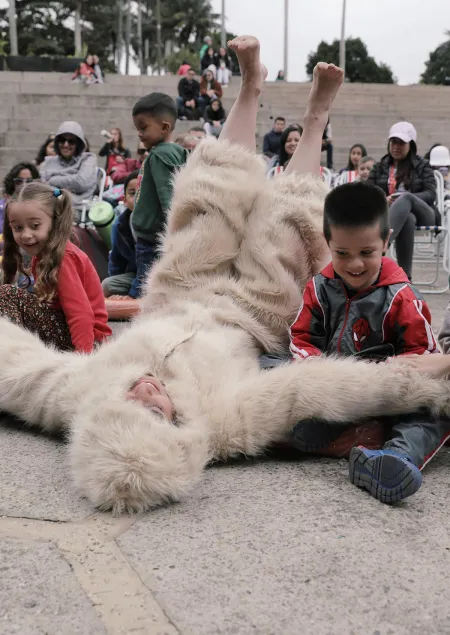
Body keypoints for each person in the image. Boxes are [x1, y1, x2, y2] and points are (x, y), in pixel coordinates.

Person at [0, 37, 448, 516]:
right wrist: (422, 384)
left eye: (124, 404)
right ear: (178, 430)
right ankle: (317, 115)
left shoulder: (79, 395)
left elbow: (16, 372)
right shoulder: (224, 425)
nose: (145, 392)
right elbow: (306, 390)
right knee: (289, 221)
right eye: (154, 412)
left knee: (206, 197)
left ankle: (250, 87)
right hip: (253, 315)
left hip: (176, 292)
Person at [289, 182, 449, 504]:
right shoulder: (319, 289)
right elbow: (301, 337)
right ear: (328, 243)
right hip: (335, 391)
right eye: (342, 254)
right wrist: (316, 370)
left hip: (388, 394)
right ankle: (335, 431)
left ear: (386, 241)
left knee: (435, 411)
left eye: (367, 253)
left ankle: (395, 458)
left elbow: (424, 357)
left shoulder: (401, 297)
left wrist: (391, 373)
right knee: (268, 363)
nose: (355, 265)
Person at [0, 181, 111, 352]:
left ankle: (14, 354)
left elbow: (80, 314)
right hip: (69, 333)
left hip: (89, 342)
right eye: (18, 227)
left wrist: (82, 360)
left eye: (35, 225)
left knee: (7, 294)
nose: (26, 235)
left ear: (55, 221)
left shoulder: (63, 258)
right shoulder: (43, 255)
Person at [131, 92, 188, 297]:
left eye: (143, 127)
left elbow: (169, 199)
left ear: (164, 127)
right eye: (137, 128)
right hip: (159, 238)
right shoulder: (177, 152)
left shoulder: (159, 155)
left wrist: (174, 231)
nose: (139, 133)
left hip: (153, 241)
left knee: (145, 290)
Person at [366, 122, 437, 280]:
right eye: (393, 142)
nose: (396, 147)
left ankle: (381, 246)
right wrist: (384, 200)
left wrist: (405, 198)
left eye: (401, 143)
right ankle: (406, 278)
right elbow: (368, 193)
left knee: (405, 197)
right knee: (407, 218)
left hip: (424, 213)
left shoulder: (422, 165)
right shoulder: (380, 167)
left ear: (410, 145)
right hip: (395, 216)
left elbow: (431, 194)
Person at [40, 121, 98, 221]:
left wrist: (54, 180)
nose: (66, 145)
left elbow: (81, 183)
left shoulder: (88, 158)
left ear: (79, 144)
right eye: (62, 140)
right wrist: (62, 191)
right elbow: (44, 189)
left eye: (71, 141)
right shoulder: (48, 162)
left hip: (78, 209)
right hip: (51, 206)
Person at [102, 171, 138, 298]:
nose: (138, 198)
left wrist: (133, 293)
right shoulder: (119, 225)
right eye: (133, 193)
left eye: (143, 192)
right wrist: (116, 294)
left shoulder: (156, 222)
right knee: (107, 286)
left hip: (158, 276)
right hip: (136, 276)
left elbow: (150, 262)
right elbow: (117, 261)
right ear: (125, 200)